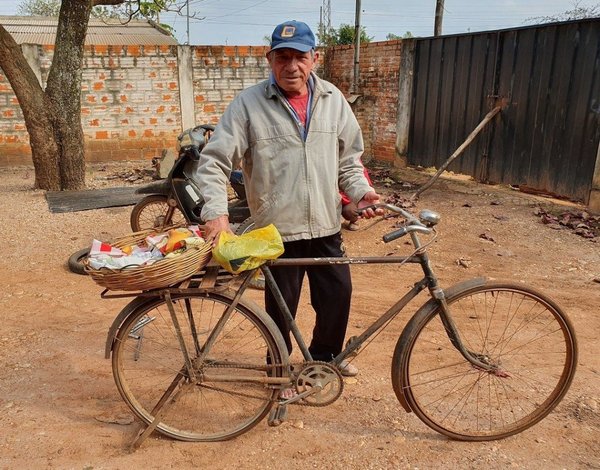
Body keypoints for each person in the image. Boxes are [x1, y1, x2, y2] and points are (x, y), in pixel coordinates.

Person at [194, 20, 382, 381]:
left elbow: (349, 161)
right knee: (281, 311)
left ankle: (326, 358)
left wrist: (360, 192)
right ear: (270, 60)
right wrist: (216, 214)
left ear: (315, 58)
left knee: (337, 296)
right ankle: (278, 370)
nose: (290, 66)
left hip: (326, 226)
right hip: (277, 231)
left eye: (299, 56)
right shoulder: (248, 104)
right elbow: (215, 161)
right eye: (282, 57)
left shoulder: (333, 100)